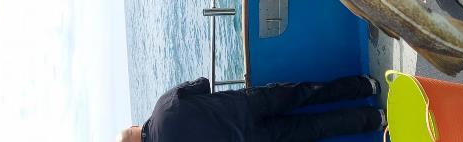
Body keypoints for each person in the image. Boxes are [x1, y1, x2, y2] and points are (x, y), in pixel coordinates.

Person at [116, 76, 386, 142]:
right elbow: (203, 84)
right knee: (307, 94)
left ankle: (376, 119)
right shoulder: (164, 104)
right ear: (133, 127)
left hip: (250, 139)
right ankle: (366, 86)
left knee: (314, 128)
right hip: (247, 104)